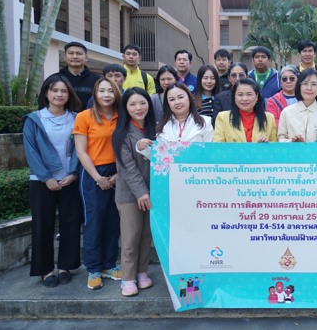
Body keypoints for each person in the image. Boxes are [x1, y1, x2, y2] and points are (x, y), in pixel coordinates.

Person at [23, 75, 83, 288]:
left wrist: (74, 173)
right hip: (41, 182)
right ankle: (45, 269)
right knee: (43, 225)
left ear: (69, 95)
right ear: (46, 93)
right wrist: (46, 178)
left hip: (70, 179)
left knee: (70, 223)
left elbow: (81, 148)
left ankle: (65, 266)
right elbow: (31, 152)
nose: (59, 94)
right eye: (54, 90)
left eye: (63, 91)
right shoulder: (34, 119)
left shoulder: (77, 118)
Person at [73, 78, 122, 290]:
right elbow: (81, 151)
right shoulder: (84, 117)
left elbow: (125, 146)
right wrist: (98, 178)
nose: (106, 95)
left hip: (118, 171)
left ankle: (109, 265)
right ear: (95, 94)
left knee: (113, 220)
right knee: (94, 221)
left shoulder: (122, 116)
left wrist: (118, 175)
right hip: (93, 172)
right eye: (101, 91)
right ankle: (93, 269)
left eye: (110, 91)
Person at [112, 87, 157, 297]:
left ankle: (142, 272)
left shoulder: (154, 129)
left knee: (146, 236)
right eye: (132, 104)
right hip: (130, 195)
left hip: (152, 192)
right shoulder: (121, 133)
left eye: (142, 103)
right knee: (131, 238)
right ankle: (128, 278)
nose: (138, 108)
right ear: (125, 108)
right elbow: (127, 167)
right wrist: (141, 192)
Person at [137, 82, 213, 157]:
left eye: (180, 97)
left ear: (189, 99)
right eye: (172, 99)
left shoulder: (205, 122)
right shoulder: (162, 125)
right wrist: (143, 149)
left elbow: (210, 153)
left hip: (196, 168)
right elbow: (159, 158)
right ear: (167, 103)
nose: (177, 102)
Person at [278, 69, 317, 142]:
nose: (309, 88)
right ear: (299, 86)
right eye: (305, 83)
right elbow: (281, 139)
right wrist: (292, 142)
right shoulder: (286, 113)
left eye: (313, 84)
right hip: (293, 153)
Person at [214, 78, 277, 142]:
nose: (244, 98)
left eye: (249, 94)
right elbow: (218, 147)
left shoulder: (269, 118)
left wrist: (264, 145)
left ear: (257, 96)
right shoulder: (222, 117)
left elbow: (274, 147)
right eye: (240, 95)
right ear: (234, 97)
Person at [49, 41, 101, 110]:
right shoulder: (54, 79)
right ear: (64, 57)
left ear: (86, 58)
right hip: (61, 119)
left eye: (79, 54)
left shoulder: (97, 80)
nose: (75, 56)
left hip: (89, 119)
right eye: (71, 53)